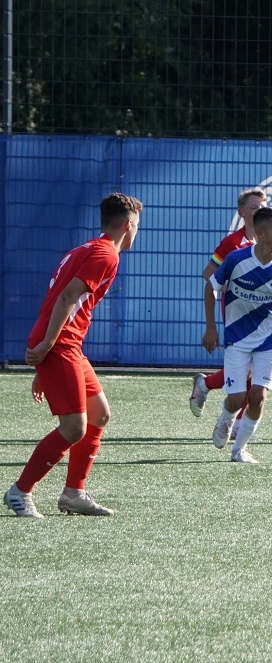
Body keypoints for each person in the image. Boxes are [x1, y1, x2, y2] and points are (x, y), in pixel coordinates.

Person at [4, 193, 144, 518]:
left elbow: (58, 296)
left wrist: (44, 357)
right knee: (74, 427)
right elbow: (67, 296)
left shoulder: (84, 248)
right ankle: (20, 491)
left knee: (99, 414)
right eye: (137, 225)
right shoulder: (107, 253)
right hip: (61, 342)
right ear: (128, 224)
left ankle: (73, 494)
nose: (137, 231)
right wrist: (47, 347)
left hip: (65, 344)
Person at [205, 206, 272, 463]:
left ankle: (239, 451)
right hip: (237, 337)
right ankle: (226, 417)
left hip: (270, 339)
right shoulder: (236, 260)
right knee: (236, 399)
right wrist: (211, 327)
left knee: (258, 396)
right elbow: (210, 287)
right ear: (259, 233)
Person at [190, 187, 268, 435]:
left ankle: (207, 384)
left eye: (262, 208)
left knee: (255, 369)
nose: (259, 212)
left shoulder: (267, 241)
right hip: (237, 315)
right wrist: (211, 326)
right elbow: (208, 275)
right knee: (249, 367)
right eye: (254, 208)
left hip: (262, 316)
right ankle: (235, 422)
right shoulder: (232, 243)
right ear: (242, 213)